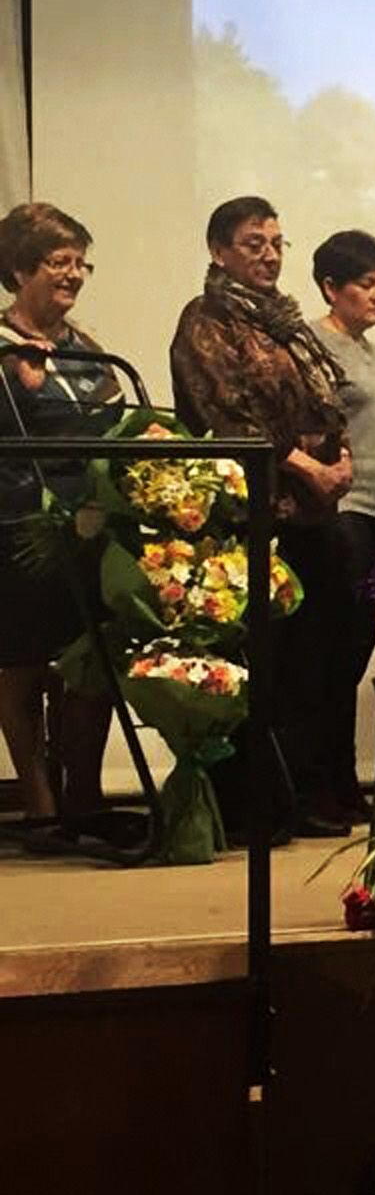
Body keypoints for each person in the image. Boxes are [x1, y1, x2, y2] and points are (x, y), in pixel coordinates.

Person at [172, 196, 355, 839]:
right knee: (269, 663)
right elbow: (227, 417)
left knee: (314, 663)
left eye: (277, 243)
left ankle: (305, 792)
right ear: (219, 250)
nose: (270, 256)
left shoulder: (286, 322)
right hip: (254, 515)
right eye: (255, 244)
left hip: (313, 515)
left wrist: (341, 457)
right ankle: (262, 807)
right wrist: (306, 466)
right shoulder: (206, 320)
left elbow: (324, 401)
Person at [0, 203, 119, 822]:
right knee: (22, 664)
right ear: (21, 270)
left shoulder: (88, 347)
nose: (73, 274)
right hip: (19, 525)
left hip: (90, 525)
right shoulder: (1, 347)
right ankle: (41, 802)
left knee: (90, 661)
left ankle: (84, 795)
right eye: (57, 262)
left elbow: (116, 421)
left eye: (80, 263)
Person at [310, 229, 375, 822]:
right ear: (330, 287)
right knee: (330, 650)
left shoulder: (372, 352)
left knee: (356, 647)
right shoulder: (316, 344)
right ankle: (320, 785)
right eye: (366, 284)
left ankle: (343, 781)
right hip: (341, 511)